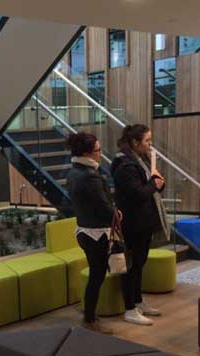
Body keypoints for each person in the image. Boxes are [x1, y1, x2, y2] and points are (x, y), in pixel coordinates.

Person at [111, 124, 168, 326]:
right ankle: (129, 309)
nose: (150, 145)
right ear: (135, 143)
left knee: (139, 264)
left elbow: (150, 189)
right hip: (133, 223)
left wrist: (157, 183)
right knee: (131, 266)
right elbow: (139, 194)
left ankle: (138, 301)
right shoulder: (124, 165)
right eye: (147, 141)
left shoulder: (139, 161)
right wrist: (154, 184)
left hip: (143, 222)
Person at [67, 132, 117, 334]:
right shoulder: (90, 176)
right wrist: (116, 212)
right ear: (88, 153)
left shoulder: (74, 171)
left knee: (95, 275)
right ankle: (89, 320)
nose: (100, 154)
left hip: (84, 231)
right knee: (96, 277)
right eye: (98, 150)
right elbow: (105, 208)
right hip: (97, 233)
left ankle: (90, 313)